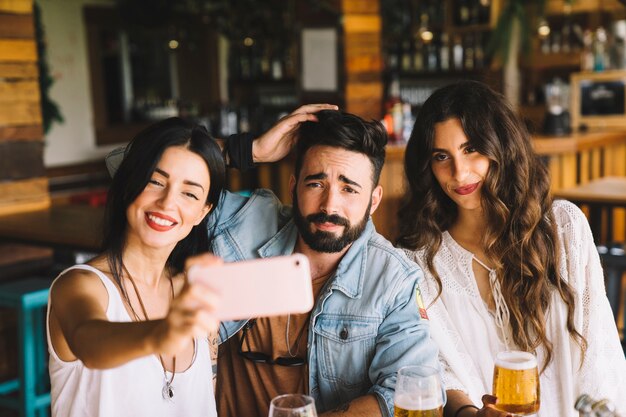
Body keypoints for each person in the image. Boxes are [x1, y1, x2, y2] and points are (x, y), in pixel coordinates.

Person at [106, 107, 441, 417]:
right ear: (294, 186)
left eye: (350, 189)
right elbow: (124, 166)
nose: (329, 204)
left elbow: (406, 389)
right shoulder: (243, 221)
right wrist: (249, 150)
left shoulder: (394, 279)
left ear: (373, 200)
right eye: (316, 183)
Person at [397, 80, 626, 417]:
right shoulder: (419, 262)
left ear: (500, 147)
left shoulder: (563, 229)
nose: (459, 173)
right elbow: (435, 366)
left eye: (471, 148)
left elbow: (600, 357)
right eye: (441, 156)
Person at [47, 118, 226, 417]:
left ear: (202, 212)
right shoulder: (80, 285)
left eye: (190, 193)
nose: (168, 202)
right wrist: (160, 333)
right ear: (130, 182)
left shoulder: (193, 291)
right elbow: (88, 341)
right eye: (155, 181)